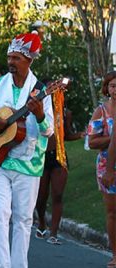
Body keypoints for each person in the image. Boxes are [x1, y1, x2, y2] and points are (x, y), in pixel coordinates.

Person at [0, 30, 53, 268]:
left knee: (23, 220)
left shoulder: (40, 90)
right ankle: (2, 265)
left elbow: (49, 131)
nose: (10, 62)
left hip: (28, 163)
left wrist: (40, 115)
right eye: (9, 57)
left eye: (16, 58)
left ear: (29, 60)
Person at [34, 79, 83, 245]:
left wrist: (81, 135)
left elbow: (67, 135)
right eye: (53, 89)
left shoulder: (65, 112)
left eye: (59, 90)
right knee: (40, 198)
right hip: (41, 155)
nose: (56, 92)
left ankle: (54, 233)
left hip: (59, 157)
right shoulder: (38, 109)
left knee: (58, 194)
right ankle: (41, 222)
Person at [88, 71, 116, 267]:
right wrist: (113, 138)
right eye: (113, 85)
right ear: (107, 88)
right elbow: (92, 141)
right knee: (113, 212)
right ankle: (115, 255)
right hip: (107, 166)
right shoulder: (101, 112)